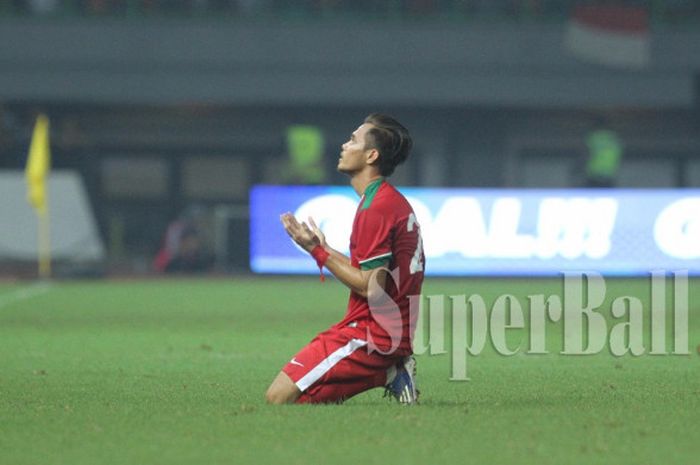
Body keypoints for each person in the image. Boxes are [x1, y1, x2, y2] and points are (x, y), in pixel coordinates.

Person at [265, 113, 425, 405]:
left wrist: (318, 252)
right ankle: (392, 371)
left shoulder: (376, 208)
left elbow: (370, 287)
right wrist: (322, 247)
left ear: (371, 155)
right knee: (300, 402)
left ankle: (390, 367)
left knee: (277, 399)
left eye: (353, 140)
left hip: (374, 333)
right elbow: (372, 274)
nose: (344, 145)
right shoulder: (385, 200)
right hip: (384, 330)